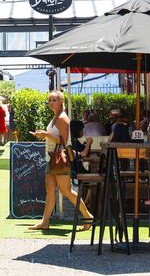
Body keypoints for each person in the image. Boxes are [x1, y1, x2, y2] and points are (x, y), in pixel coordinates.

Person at [30, 92, 92, 231]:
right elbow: (56, 138)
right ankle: (45, 222)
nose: (51, 102)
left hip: (59, 158)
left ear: (61, 101)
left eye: (54, 100)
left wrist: (45, 134)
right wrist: (45, 135)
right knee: (50, 190)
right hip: (52, 158)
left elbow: (64, 141)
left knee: (66, 191)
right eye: (49, 100)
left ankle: (87, 216)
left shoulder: (63, 118)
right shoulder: (56, 117)